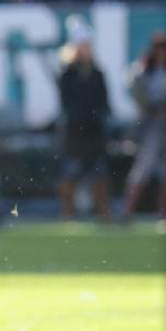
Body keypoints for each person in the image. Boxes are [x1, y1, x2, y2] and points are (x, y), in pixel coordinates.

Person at [57, 27, 112, 221]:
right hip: (75, 131)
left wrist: (98, 115)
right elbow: (66, 102)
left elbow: (104, 101)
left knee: (99, 174)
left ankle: (104, 213)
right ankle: (67, 213)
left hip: (94, 130)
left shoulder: (97, 73)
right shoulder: (68, 74)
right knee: (70, 173)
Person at [122, 32, 166, 219]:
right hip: (151, 124)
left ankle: (164, 212)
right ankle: (127, 210)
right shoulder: (145, 69)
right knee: (142, 168)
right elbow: (135, 87)